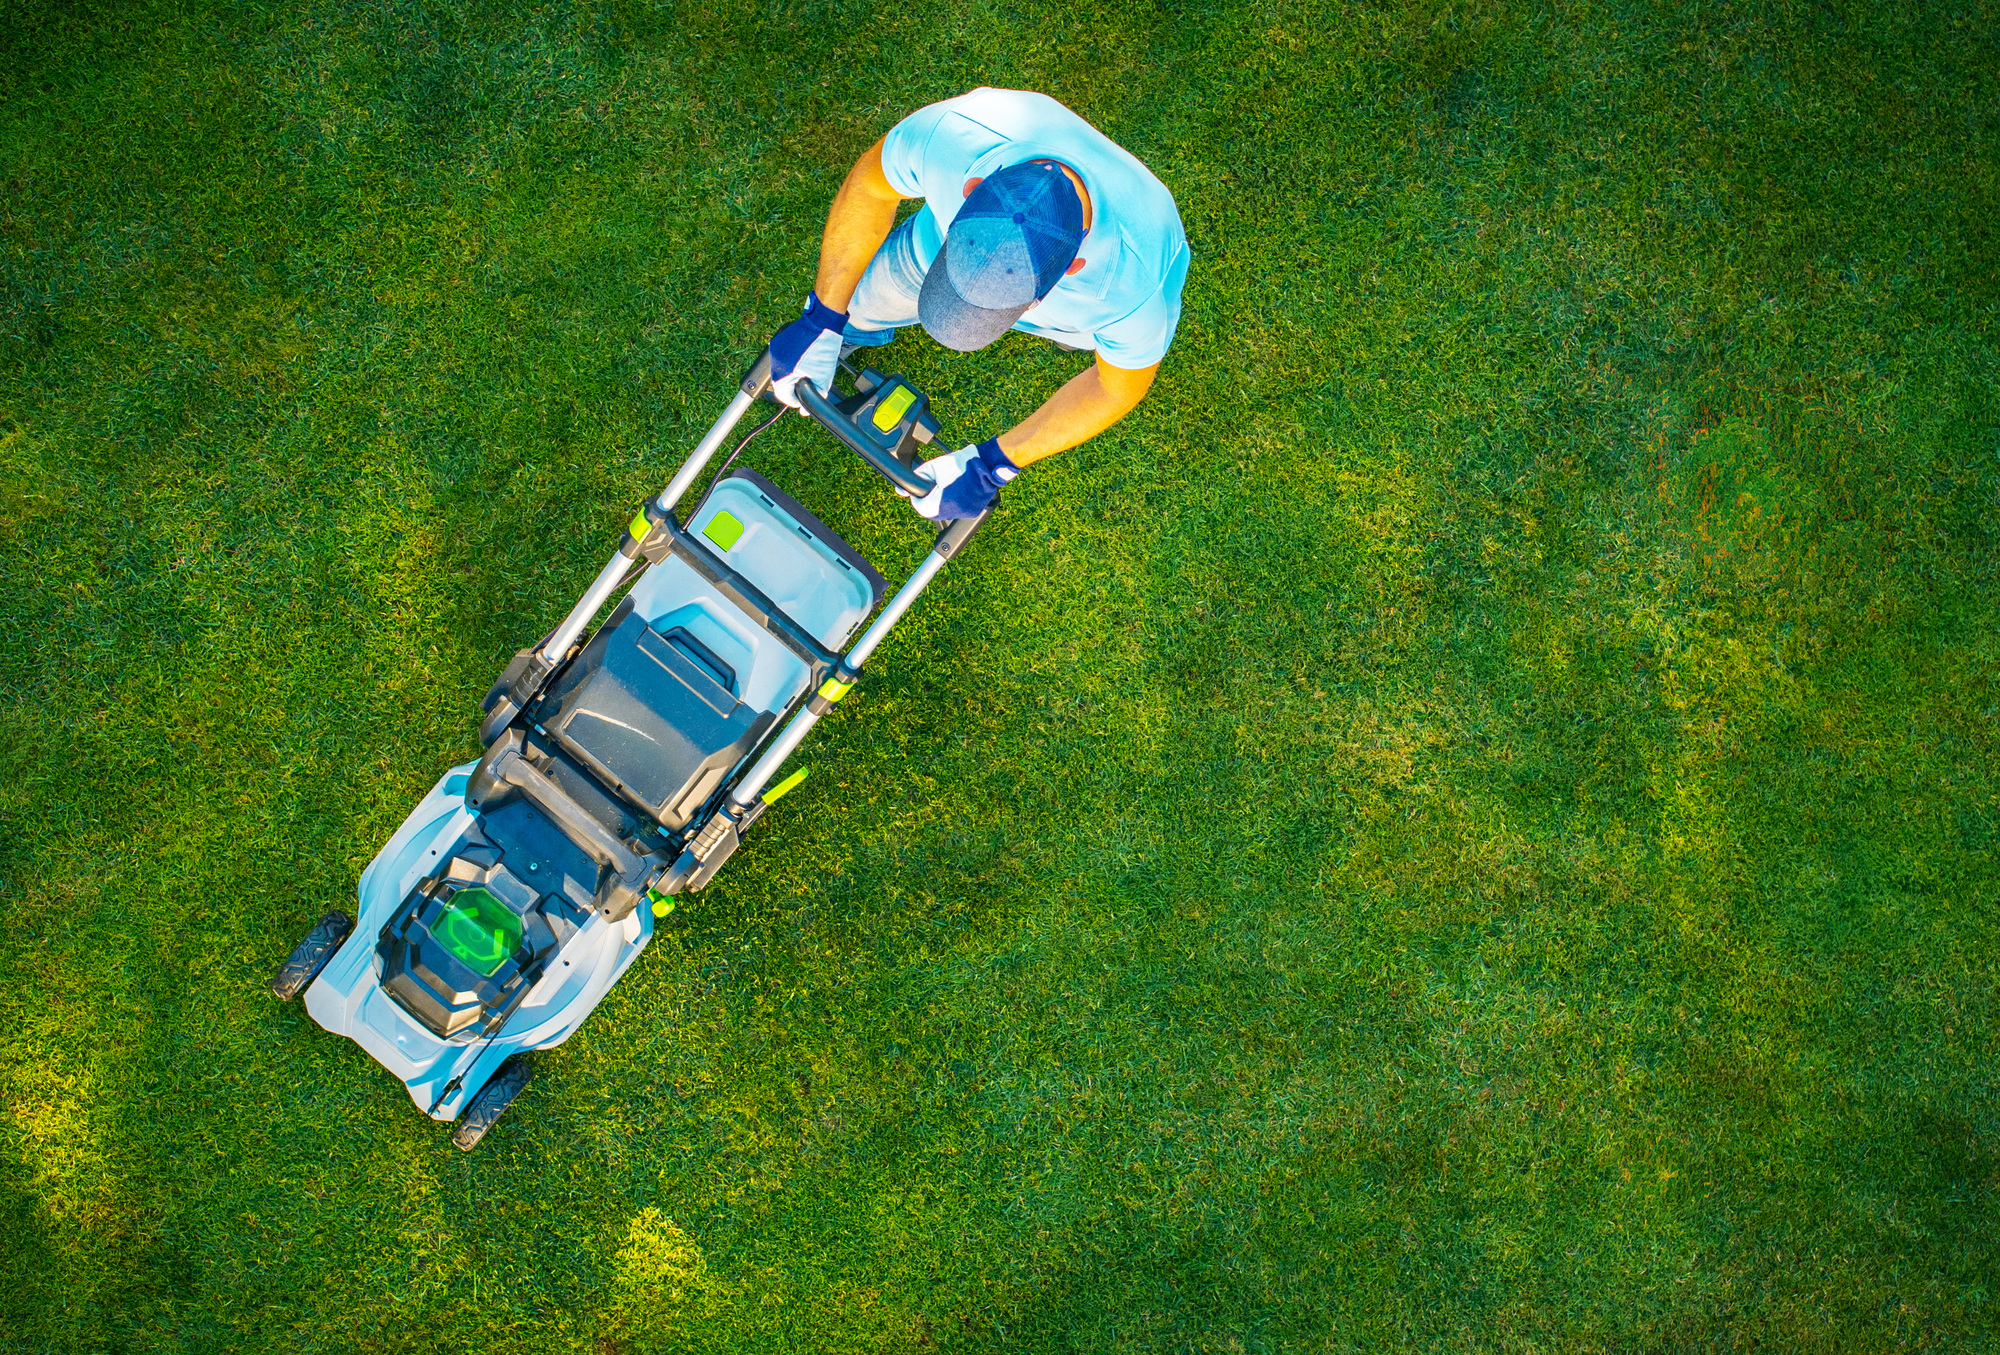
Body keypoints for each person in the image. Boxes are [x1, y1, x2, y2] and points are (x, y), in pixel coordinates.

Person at [764, 88, 1190, 521]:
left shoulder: (1133, 292)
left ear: (1073, 268)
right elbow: (870, 189)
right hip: (925, 254)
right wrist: (824, 315)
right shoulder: (955, 135)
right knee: (862, 302)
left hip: (1074, 320)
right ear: (969, 188)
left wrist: (994, 463)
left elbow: (1115, 387)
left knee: (1087, 342)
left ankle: (1060, 334)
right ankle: (842, 336)